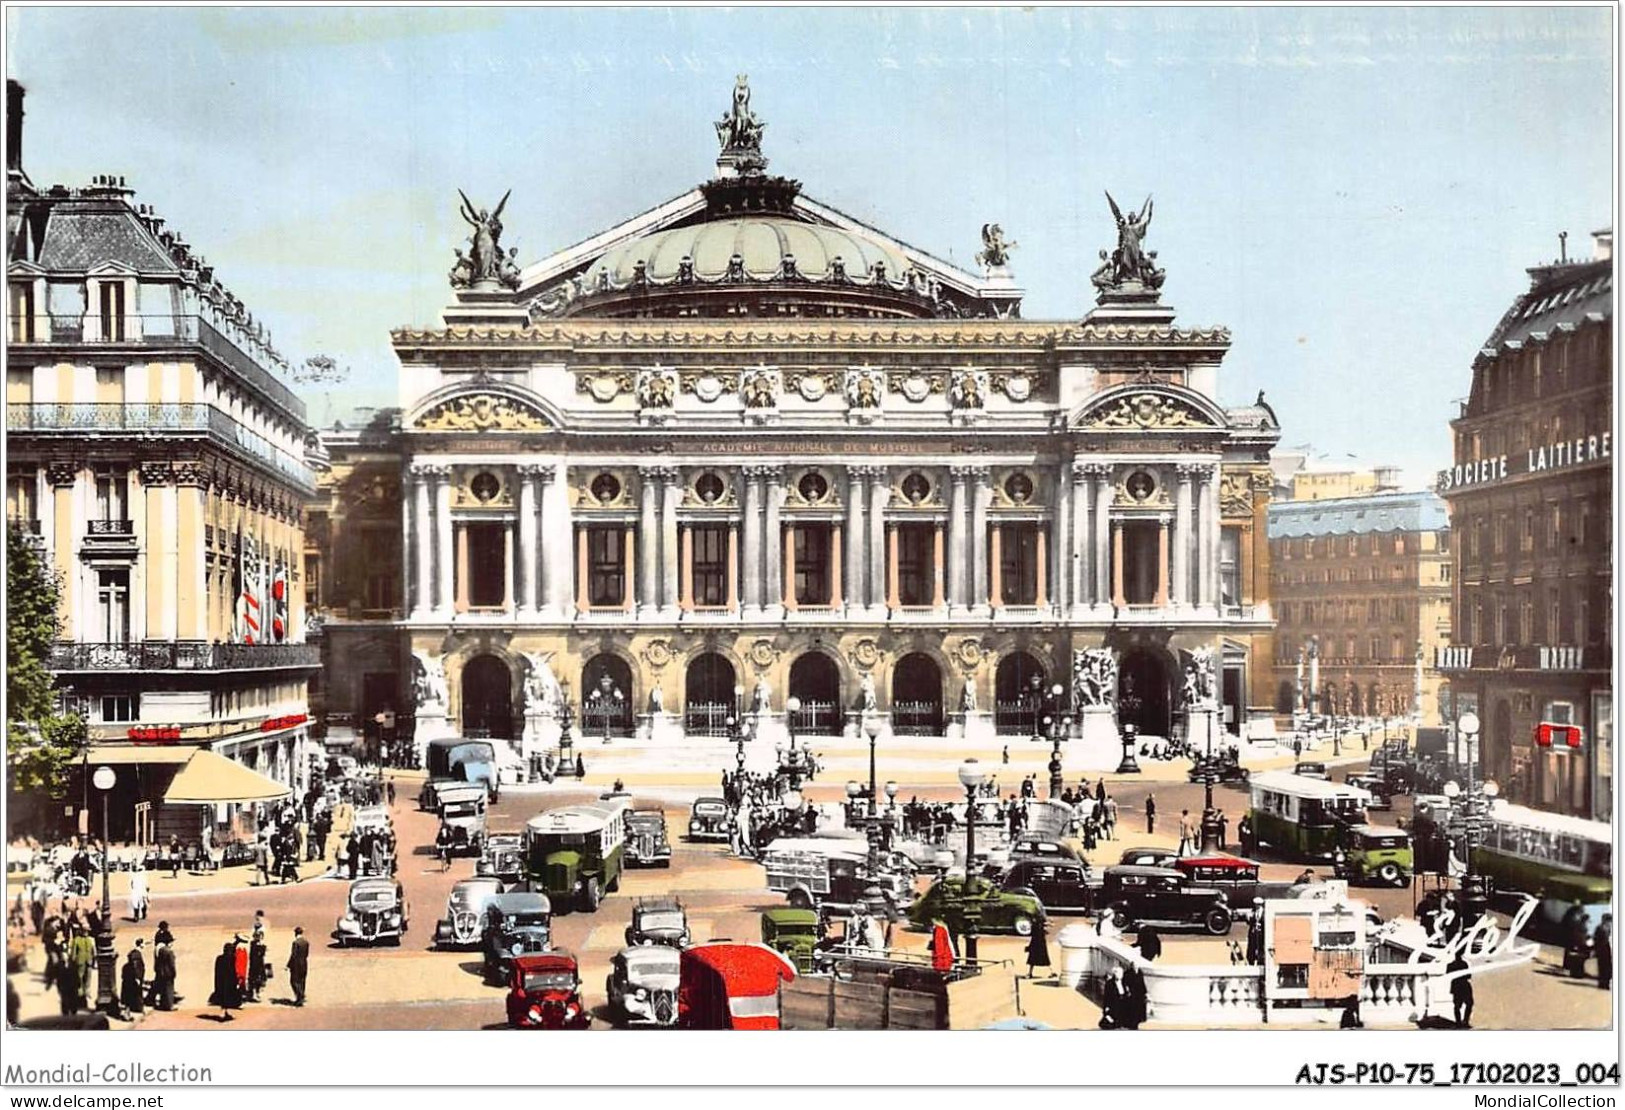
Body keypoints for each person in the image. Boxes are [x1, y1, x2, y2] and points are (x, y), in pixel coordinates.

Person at [211, 941, 241, 1021]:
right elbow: (233, 971)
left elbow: (216, 971)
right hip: (229, 982)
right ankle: (223, 1013)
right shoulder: (232, 958)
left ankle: (225, 1012)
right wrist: (236, 981)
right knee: (227, 998)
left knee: (222, 997)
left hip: (220, 981)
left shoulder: (219, 958)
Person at [69, 920, 94, 1011]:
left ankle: (87, 992)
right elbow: (73, 953)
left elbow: (93, 951)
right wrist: (72, 962)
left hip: (89, 962)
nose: (86, 932)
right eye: (85, 930)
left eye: (87, 931)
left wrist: (93, 960)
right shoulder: (76, 940)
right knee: (79, 979)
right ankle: (80, 995)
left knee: (88, 979)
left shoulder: (90, 940)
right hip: (79, 963)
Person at [1563, 904, 1592, 978]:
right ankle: (1572, 970)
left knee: (1574, 955)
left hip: (1574, 940)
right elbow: (1579, 934)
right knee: (1576, 956)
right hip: (1575, 941)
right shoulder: (1578, 923)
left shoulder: (1577, 921)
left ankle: (1573, 969)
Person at [120, 938, 146, 1016]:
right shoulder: (137, 954)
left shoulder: (134, 953)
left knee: (133, 992)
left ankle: (134, 1007)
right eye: (143, 943)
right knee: (137, 992)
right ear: (141, 944)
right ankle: (138, 1008)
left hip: (133, 977)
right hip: (136, 977)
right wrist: (137, 977)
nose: (144, 945)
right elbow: (136, 966)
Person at [150, 938, 177, 1011]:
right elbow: (172, 964)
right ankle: (169, 1005)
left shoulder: (161, 951)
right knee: (169, 989)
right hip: (169, 973)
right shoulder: (170, 952)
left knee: (163, 989)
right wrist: (174, 973)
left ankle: (163, 1004)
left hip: (162, 972)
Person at [1448, 953, 1473, 1028]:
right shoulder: (1464, 964)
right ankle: (1465, 1021)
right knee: (1469, 1003)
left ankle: (1458, 1022)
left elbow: (1448, 976)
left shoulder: (1450, 965)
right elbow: (1469, 975)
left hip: (1456, 986)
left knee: (1457, 1005)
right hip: (1464, 985)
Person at [287, 926, 309, 1006]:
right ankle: (302, 994)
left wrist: (288, 965)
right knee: (302, 980)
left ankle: (300, 996)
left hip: (296, 965)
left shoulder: (296, 943)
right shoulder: (306, 942)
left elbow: (294, 955)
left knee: (294, 981)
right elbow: (306, 954)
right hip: (304, 963)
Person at [1025, 914, 1052, 980]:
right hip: (1041, 944)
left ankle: (1030, 973)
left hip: (1035, 944)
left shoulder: (1035, 926)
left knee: (1032, 960)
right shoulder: (1040, 927)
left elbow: (1033, 936)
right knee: (1045, 959)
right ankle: (1051, 972)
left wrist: (1029, 947)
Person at [1594, 915, 1613, 991]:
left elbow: (1595, 939)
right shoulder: (1604, 928)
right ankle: (1605, 983)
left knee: (1602, 966)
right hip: (1604, 948)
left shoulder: (1600, 927)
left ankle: (1603, 983)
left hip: (1602, 949)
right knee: (1606, 966)